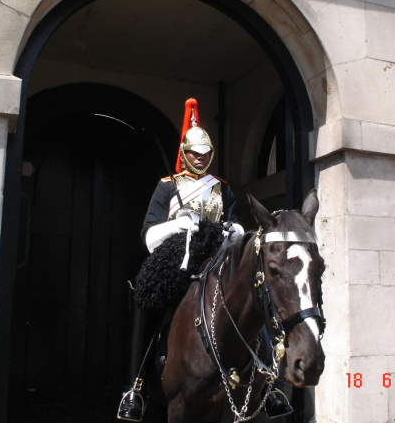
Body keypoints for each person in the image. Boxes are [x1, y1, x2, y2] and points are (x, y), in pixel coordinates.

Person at [116, 99, 290, 421]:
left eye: (206, 154)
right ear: (184, 153)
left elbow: (235, 224)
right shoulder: (167, 187)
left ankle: (271, 384)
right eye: (196, 153)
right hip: (176, 256)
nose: (202, 158)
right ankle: (136, 385)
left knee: (255, 293)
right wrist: (176, 224)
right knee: (147, 298)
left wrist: (234, 228)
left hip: (217, 254)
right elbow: (148, 233)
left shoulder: (222, 189)